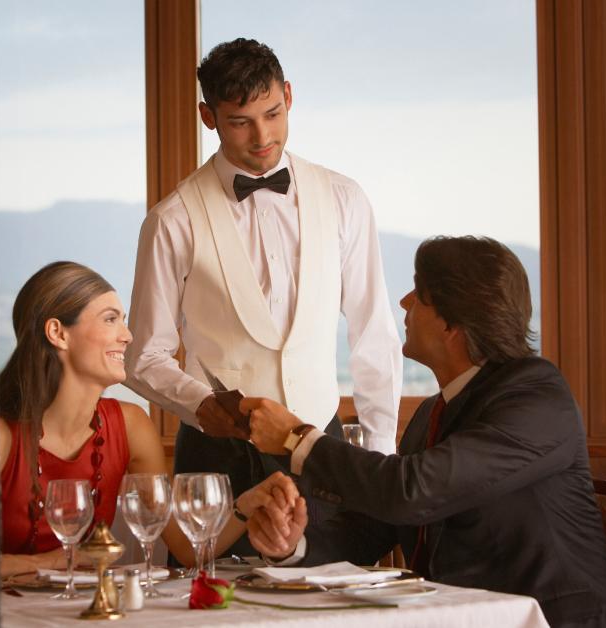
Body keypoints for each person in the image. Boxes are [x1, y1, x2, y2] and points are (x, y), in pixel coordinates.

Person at [243, 236, 606, 628]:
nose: (404, 302)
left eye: (419, 294)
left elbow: (410, 490)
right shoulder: (433, 412)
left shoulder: (539, 399)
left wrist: (297, 440)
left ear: (452, 323)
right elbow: (373, 527)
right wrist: (293, 545)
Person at [124, 38, 402, 557]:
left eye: (272, 113)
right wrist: (201, 404)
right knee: (219, 608)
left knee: (335, 600)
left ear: (289, 95)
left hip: (321, 446)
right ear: (208, 116)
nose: (261, 136)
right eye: (239, 121)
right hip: (217, 460)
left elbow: (373, 335)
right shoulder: (172, 220)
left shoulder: (344, 199)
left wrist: (381, 460)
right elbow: (143, 356)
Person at [0, 261, 292, 577]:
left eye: (123, 321)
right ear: (58, 333)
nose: (127, 336)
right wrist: (49, 563)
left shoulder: (129, 425)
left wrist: (247, 505)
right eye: (111, 319)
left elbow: (185, 549)